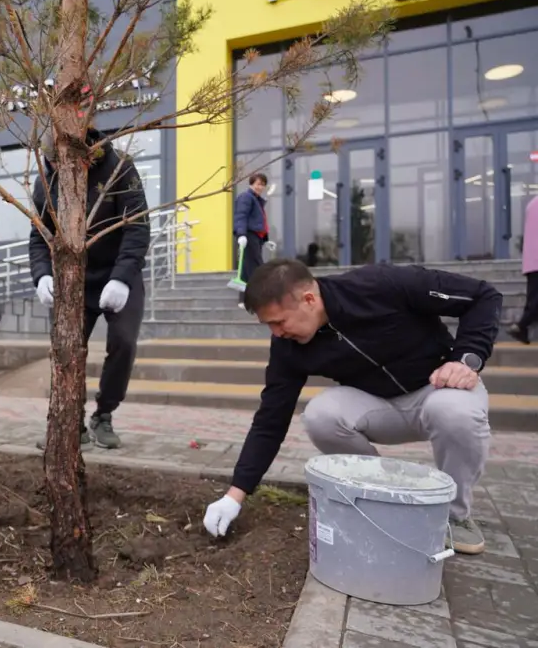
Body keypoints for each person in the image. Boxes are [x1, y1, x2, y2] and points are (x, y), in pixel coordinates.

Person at [202, 258, 502, 555]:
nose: (277, 333)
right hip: (376, 405)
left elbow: (483, 296)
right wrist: (235, 495)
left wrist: (466, 359)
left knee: (455, 412)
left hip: (437, 389)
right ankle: (384, 496)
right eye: (269, 325)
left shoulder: (381, 284)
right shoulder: (287, 346)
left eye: (279, 322)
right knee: (320, 415)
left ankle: (454, 515)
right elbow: (270, 420)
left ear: (308, 299)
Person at [29, 128, 150, 450]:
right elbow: (39, 237)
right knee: (67, 350)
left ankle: (104, 415)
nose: (58, 169)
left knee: (123, 343)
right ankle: (72, 421)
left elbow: (137, 227)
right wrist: (41, 275)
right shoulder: (46, 179)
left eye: (63, 162)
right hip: (73, 281)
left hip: (118, 274)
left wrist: (122, 277)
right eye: (52, 163)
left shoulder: (119, 168)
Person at [232, 173, 275, 307]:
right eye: (258, 184)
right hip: (249, 236)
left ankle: (243, 300)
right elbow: (241, 216)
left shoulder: (256, 200)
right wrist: (241, 235)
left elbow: (259, 221)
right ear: (251, 184)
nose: (260, 187)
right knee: (257, 268)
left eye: (262, 184)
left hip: (255, 237)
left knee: (246, 269)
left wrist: (266, 240)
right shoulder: (246, 197)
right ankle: (258, 299)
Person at [507, 195, 538, 344]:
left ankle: (522, 329)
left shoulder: (532, 204)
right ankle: (521, 325)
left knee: (534, 297)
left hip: (531, 260)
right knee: (535, 299)